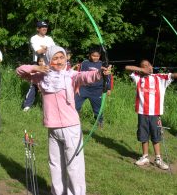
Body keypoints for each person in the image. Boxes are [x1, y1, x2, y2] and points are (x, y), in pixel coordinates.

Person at [16, 45, 112, 195]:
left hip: (70, 127)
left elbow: (87, 76)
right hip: (52, 127)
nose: (59, 61)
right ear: (48, 60)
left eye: (62, 57)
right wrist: (37, 67)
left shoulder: (71, 75)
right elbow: (20, 71)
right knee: (55, 164)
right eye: (55, 58)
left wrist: (101, 72)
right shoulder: (42, 77)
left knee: (74, 165)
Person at [125, 60, 177, 170]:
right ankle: (145, 156)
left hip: (155, 113)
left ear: (152, 66)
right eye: (143, 66)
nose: (147, 67)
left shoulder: (160, 77)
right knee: (143, 135)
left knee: (156, 135)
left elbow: (173, 75)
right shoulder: (138, 77)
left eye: (148, 65)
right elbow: (127, 67)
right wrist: (142, 70)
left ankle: (158, 158)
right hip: (142, 112)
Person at [75, 47, 111, 127]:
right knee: (75, 105)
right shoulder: (84, 63)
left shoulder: (103, 64)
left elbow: (108, 77)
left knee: (97, 108)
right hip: (83, 88)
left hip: (97, 89)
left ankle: (100, 122)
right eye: (93, 56)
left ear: (100, 56)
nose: (95, 57)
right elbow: (79, 75)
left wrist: (108, 88)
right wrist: (77, 86)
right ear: (89, 56)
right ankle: (75, 121)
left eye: (97, 56)